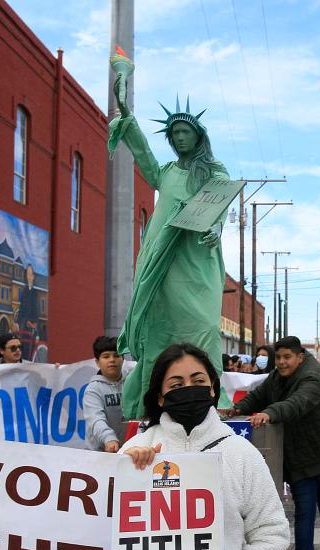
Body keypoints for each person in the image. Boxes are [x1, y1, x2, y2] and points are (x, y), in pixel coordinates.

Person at [120, 343, 289, 550]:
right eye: (176, 383)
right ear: (160, 397)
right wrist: (121, 471)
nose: (189, 389)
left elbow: (270, 530)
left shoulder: (240, 453)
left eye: (198, 381)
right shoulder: (135, 451)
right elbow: (99, 532)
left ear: (212, 389)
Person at [109, 70, 229, 420]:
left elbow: (219, 208)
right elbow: (142, 153)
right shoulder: (166, 173)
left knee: (205, 327)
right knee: (159, 331)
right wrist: (126, 114)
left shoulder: (214, 172)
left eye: (185, 132)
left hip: (197, 259)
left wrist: (216, 230)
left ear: (198, 135)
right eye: (174, 133)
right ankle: (152, 401)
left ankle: (212, 400)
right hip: (161, 263)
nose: (179, 138)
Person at [223, 336, 320, 550]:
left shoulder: (312, 378)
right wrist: (238, 409)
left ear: (300, 357)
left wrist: (271, 413)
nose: (281, 362)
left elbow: (299, 402)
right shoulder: (277, 377)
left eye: (287, 357)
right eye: (278, 357)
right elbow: (258, 395)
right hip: (298, 459)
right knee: (303, 514)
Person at [83, 336, 128, 452]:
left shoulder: (132, 382)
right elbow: (95, 419)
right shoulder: (92, 390)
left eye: (116, 355)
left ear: (123, 359)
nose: (112, 360)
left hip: (129, 451)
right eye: (106, 356)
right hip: (99, 454)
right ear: (97, 362)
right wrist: (109, 438)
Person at [15, 263, 39, 361]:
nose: (29, 276)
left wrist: (32, 322)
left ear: (33, 277)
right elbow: (21, 308)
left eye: (30, 274)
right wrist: (17, 321)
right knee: (20, 346)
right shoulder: (24, 290)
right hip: (23, 323)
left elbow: (35, 309)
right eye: (27, 274)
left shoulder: (34, 292)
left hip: (30, 324)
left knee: (28, 349)